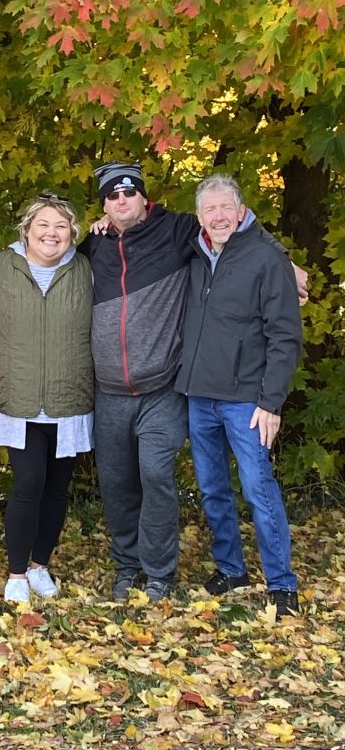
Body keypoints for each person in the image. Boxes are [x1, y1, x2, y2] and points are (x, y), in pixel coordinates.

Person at [79, 161, 307, 603]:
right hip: (178, 392)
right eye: (113, 195)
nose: (122, 200)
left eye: (130, 192)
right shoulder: (105, 242)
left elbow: (280, 323)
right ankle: (213, 570)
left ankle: (278, 585)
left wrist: (287, 265)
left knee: (237, 485)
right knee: (200, 487)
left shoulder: (185, 233)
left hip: (210, 394)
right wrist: (98, 225)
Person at [175, 174, 301, 617]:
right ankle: (231, 568)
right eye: (210, 210)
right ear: (200, 217)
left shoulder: (266, 259)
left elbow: (285, 336)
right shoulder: (195, 253)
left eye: (226, 207)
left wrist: (271, 401)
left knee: (258, 489)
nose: (219, 216)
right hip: (198, 395)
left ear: (242, 210)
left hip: (248, 400)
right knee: (212, 489)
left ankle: (282, 583)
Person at [0, 194, 93, 603]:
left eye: (61, 226)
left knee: (58, 489)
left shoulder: (86, 268)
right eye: (43, 224)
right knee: (28, 484)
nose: (51, 233)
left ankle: (40, 566)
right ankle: (16, 574)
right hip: (18, 399)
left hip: (69, 399)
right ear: (26, 229)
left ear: (72, 233)